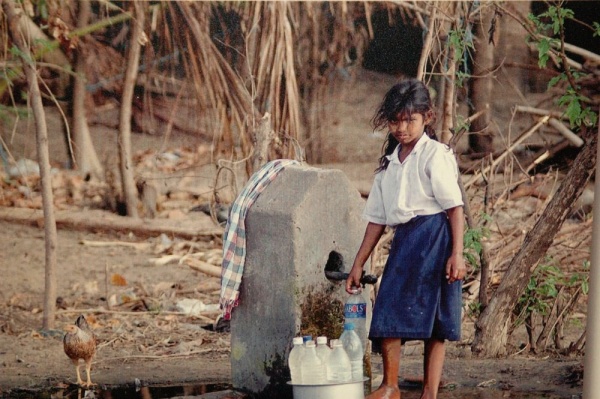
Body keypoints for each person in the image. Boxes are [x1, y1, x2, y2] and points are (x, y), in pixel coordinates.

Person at [346, 78, 466, 399]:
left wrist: (457, 253)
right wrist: (358, 263)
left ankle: (430, 392)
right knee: (388, 308)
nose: (402, 128)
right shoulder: (388, 164)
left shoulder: (435, 155)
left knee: (435, 320)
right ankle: (390, 385)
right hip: (405, 241)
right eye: (395, 121)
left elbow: (455, 209)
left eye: (410, 120)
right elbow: (376, 220)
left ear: (427, 117)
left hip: (436, 239)